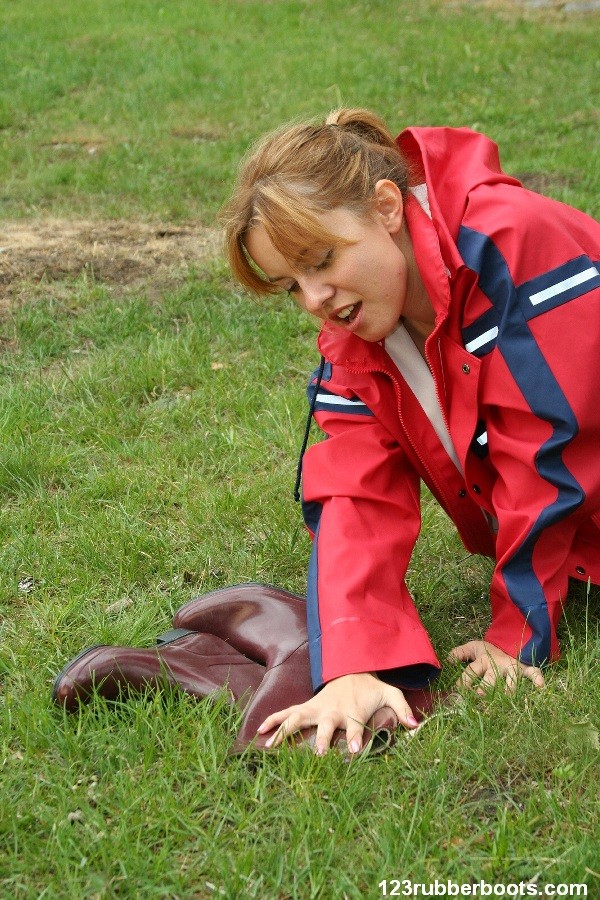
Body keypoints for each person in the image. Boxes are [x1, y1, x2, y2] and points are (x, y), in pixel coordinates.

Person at [221, 108, 600, 756]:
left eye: (322, 259)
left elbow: (550, 450)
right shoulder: (356, 334)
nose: (314, 297)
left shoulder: (513, 242)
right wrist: (352, 662)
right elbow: (357, 491)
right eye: (292, 286)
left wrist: (519, 633)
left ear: (388, 207)